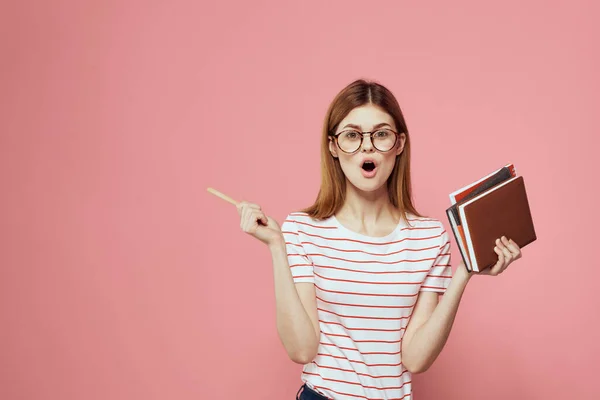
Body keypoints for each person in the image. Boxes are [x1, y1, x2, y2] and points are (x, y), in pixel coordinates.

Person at [236, 79, 523, 400]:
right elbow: (301, 349)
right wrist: (277, 248)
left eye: (381, 134)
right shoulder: (302, 230)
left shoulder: (430, 238)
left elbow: (415, 359)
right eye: (352, 135)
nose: (367, 146)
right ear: (333, 146)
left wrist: (464, 272)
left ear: (399, 144)